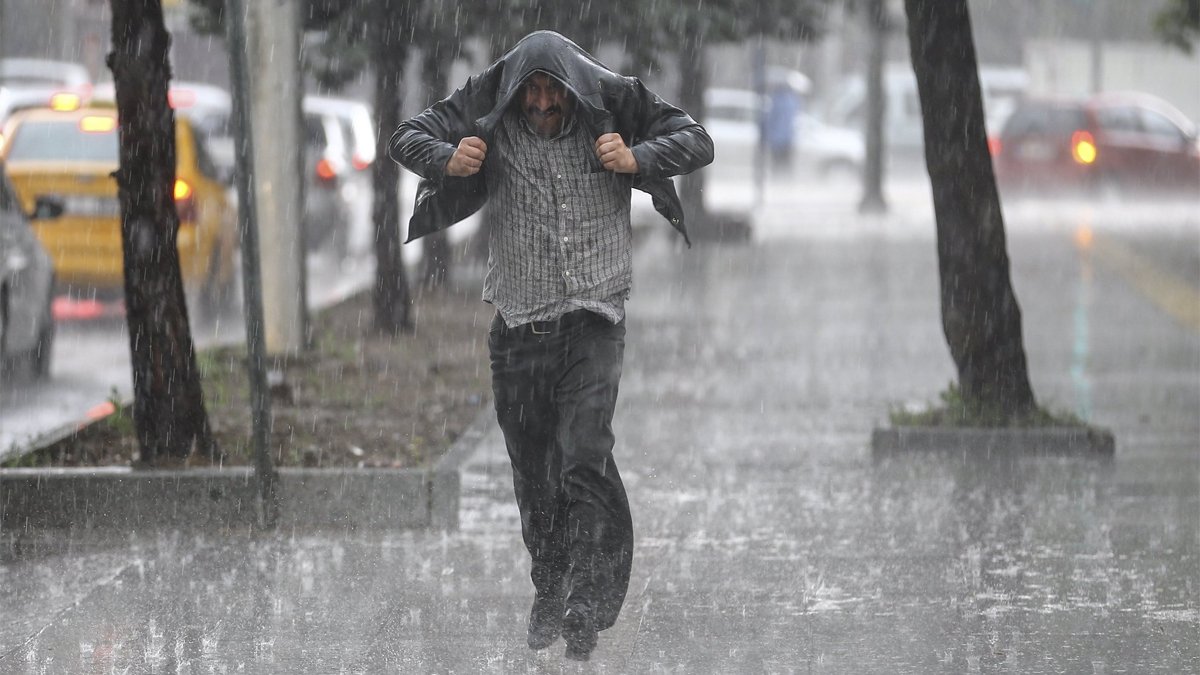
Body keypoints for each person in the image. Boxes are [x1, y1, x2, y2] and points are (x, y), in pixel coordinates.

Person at [389, 30, 713, 661]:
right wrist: (445, 159)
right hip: (518, 327)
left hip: (595, 318)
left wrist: (637, 158)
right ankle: (551, 585)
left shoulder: (612, 98)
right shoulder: (491, 99)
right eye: (530, 92)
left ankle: (588, 600)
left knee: (585, 455)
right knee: (535, 474)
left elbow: (698, 140)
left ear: (572, 87)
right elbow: (406, 136)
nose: (540, 102)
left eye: (551, 91)